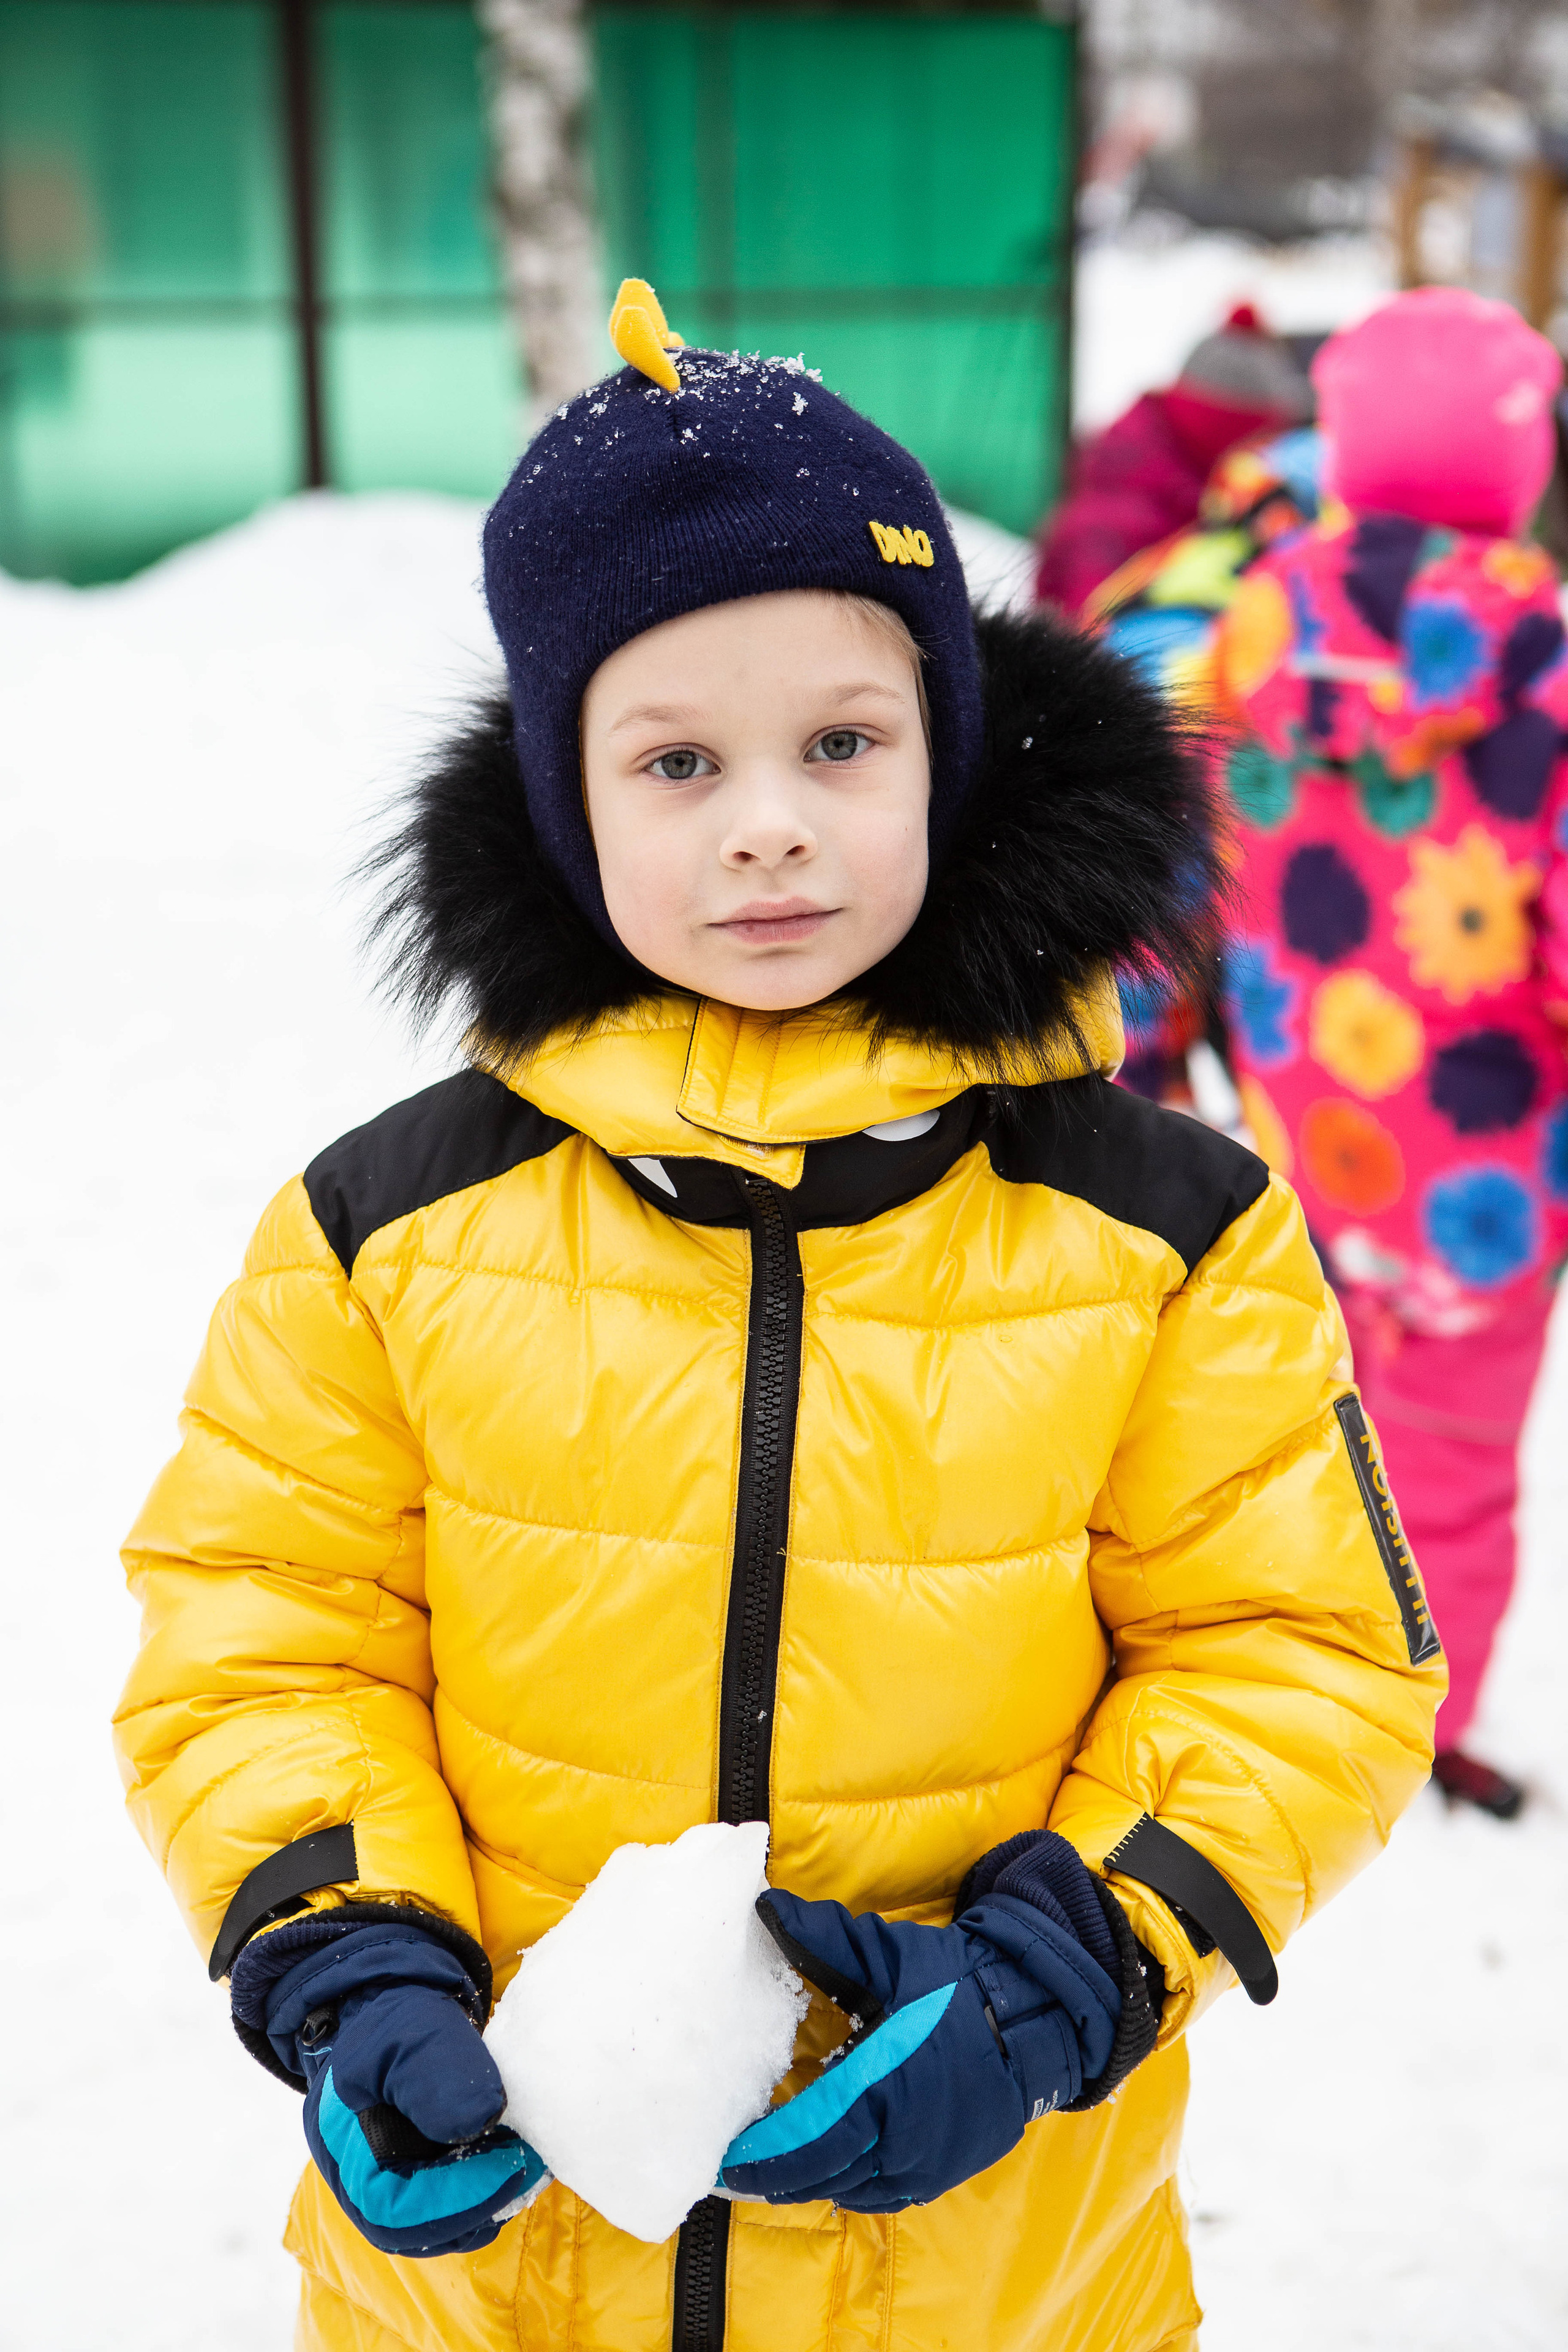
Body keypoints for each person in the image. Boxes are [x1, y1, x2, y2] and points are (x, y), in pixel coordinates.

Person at [114, 279, 1441, 2352]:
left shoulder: (1164, 1229)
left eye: (843, 740)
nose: (768, 821)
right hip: (504, 2279)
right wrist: (347, 1952)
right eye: (674, 760)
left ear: (954, 746)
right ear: (565, 799)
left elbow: (1303, 1649)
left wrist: (1064, 1968)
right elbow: (264, 1636)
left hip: (994, 2265)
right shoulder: (390, 1228)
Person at [1213, 285, 1568, 1822]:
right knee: (1450, 1458)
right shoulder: (1542, 645)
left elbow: (1187, 844)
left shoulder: (1249, 622)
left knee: (1310, 1418)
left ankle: (1285, 1669)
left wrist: (1165, 1037)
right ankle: (1407, 1723)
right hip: (1486, 1159)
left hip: (1301, 1114)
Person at [1035, 302, 1314, 620]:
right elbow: (1095, 650)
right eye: (1267, 440)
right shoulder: (1113, 525)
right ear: (1223, 435)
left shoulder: (1197, 500)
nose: (1273, 456)